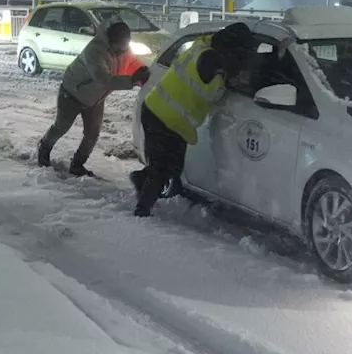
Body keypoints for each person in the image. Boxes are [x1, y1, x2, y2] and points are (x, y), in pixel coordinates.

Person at [130, 21, 256, 217]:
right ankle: (142, 210)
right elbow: (225, 82)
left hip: (163, 113)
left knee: (172, 166)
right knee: (163, 168)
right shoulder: (212, 61)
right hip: (164, 117)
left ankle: (140, 180)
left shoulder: (203, 46)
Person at [38, 21, 150, 176]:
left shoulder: (124, 49)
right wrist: (132, 80)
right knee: (61, 127)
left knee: (92, 134)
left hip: (95, 99)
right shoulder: (95, 51)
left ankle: (77, 165)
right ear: (112, 40)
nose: (124, 48)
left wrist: (143, 71)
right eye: (121, 44)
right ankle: (43, 149)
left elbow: (131, 63)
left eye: (126, 44)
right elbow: (104, 79)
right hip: (72, 94)